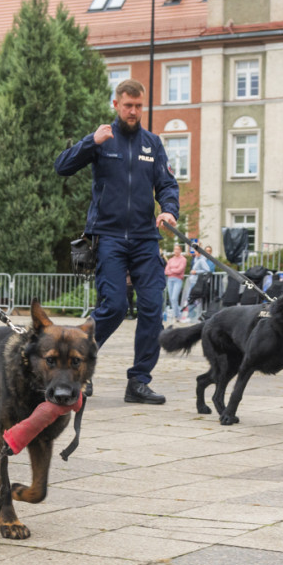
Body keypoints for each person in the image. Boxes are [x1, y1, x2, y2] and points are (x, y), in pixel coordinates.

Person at [54, 79, 179, 404]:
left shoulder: (152, 144)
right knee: (114, 305)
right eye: (128, 106)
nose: (134, 111)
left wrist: (168, 210)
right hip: (107, 237)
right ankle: (79, 366)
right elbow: (62, 167)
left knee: (153, 307)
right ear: (116, 105)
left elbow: (166, 184)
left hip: (144, 239)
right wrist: (90, 142)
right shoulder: (102, 139)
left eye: (139, 106)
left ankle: (138, 381)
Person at [164, 245, 186, 323]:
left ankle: (176, 315)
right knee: (171, 298)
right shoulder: (171, 259)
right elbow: (166, 270)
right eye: (175, 249)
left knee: (174, 298)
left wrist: (171, 270)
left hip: (178, 279)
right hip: (170, 279)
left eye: (178, 249)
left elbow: (180, 270)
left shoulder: (183, 259)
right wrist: (173, 270)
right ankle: (178, 314)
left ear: (180, 250)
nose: (176, 251)